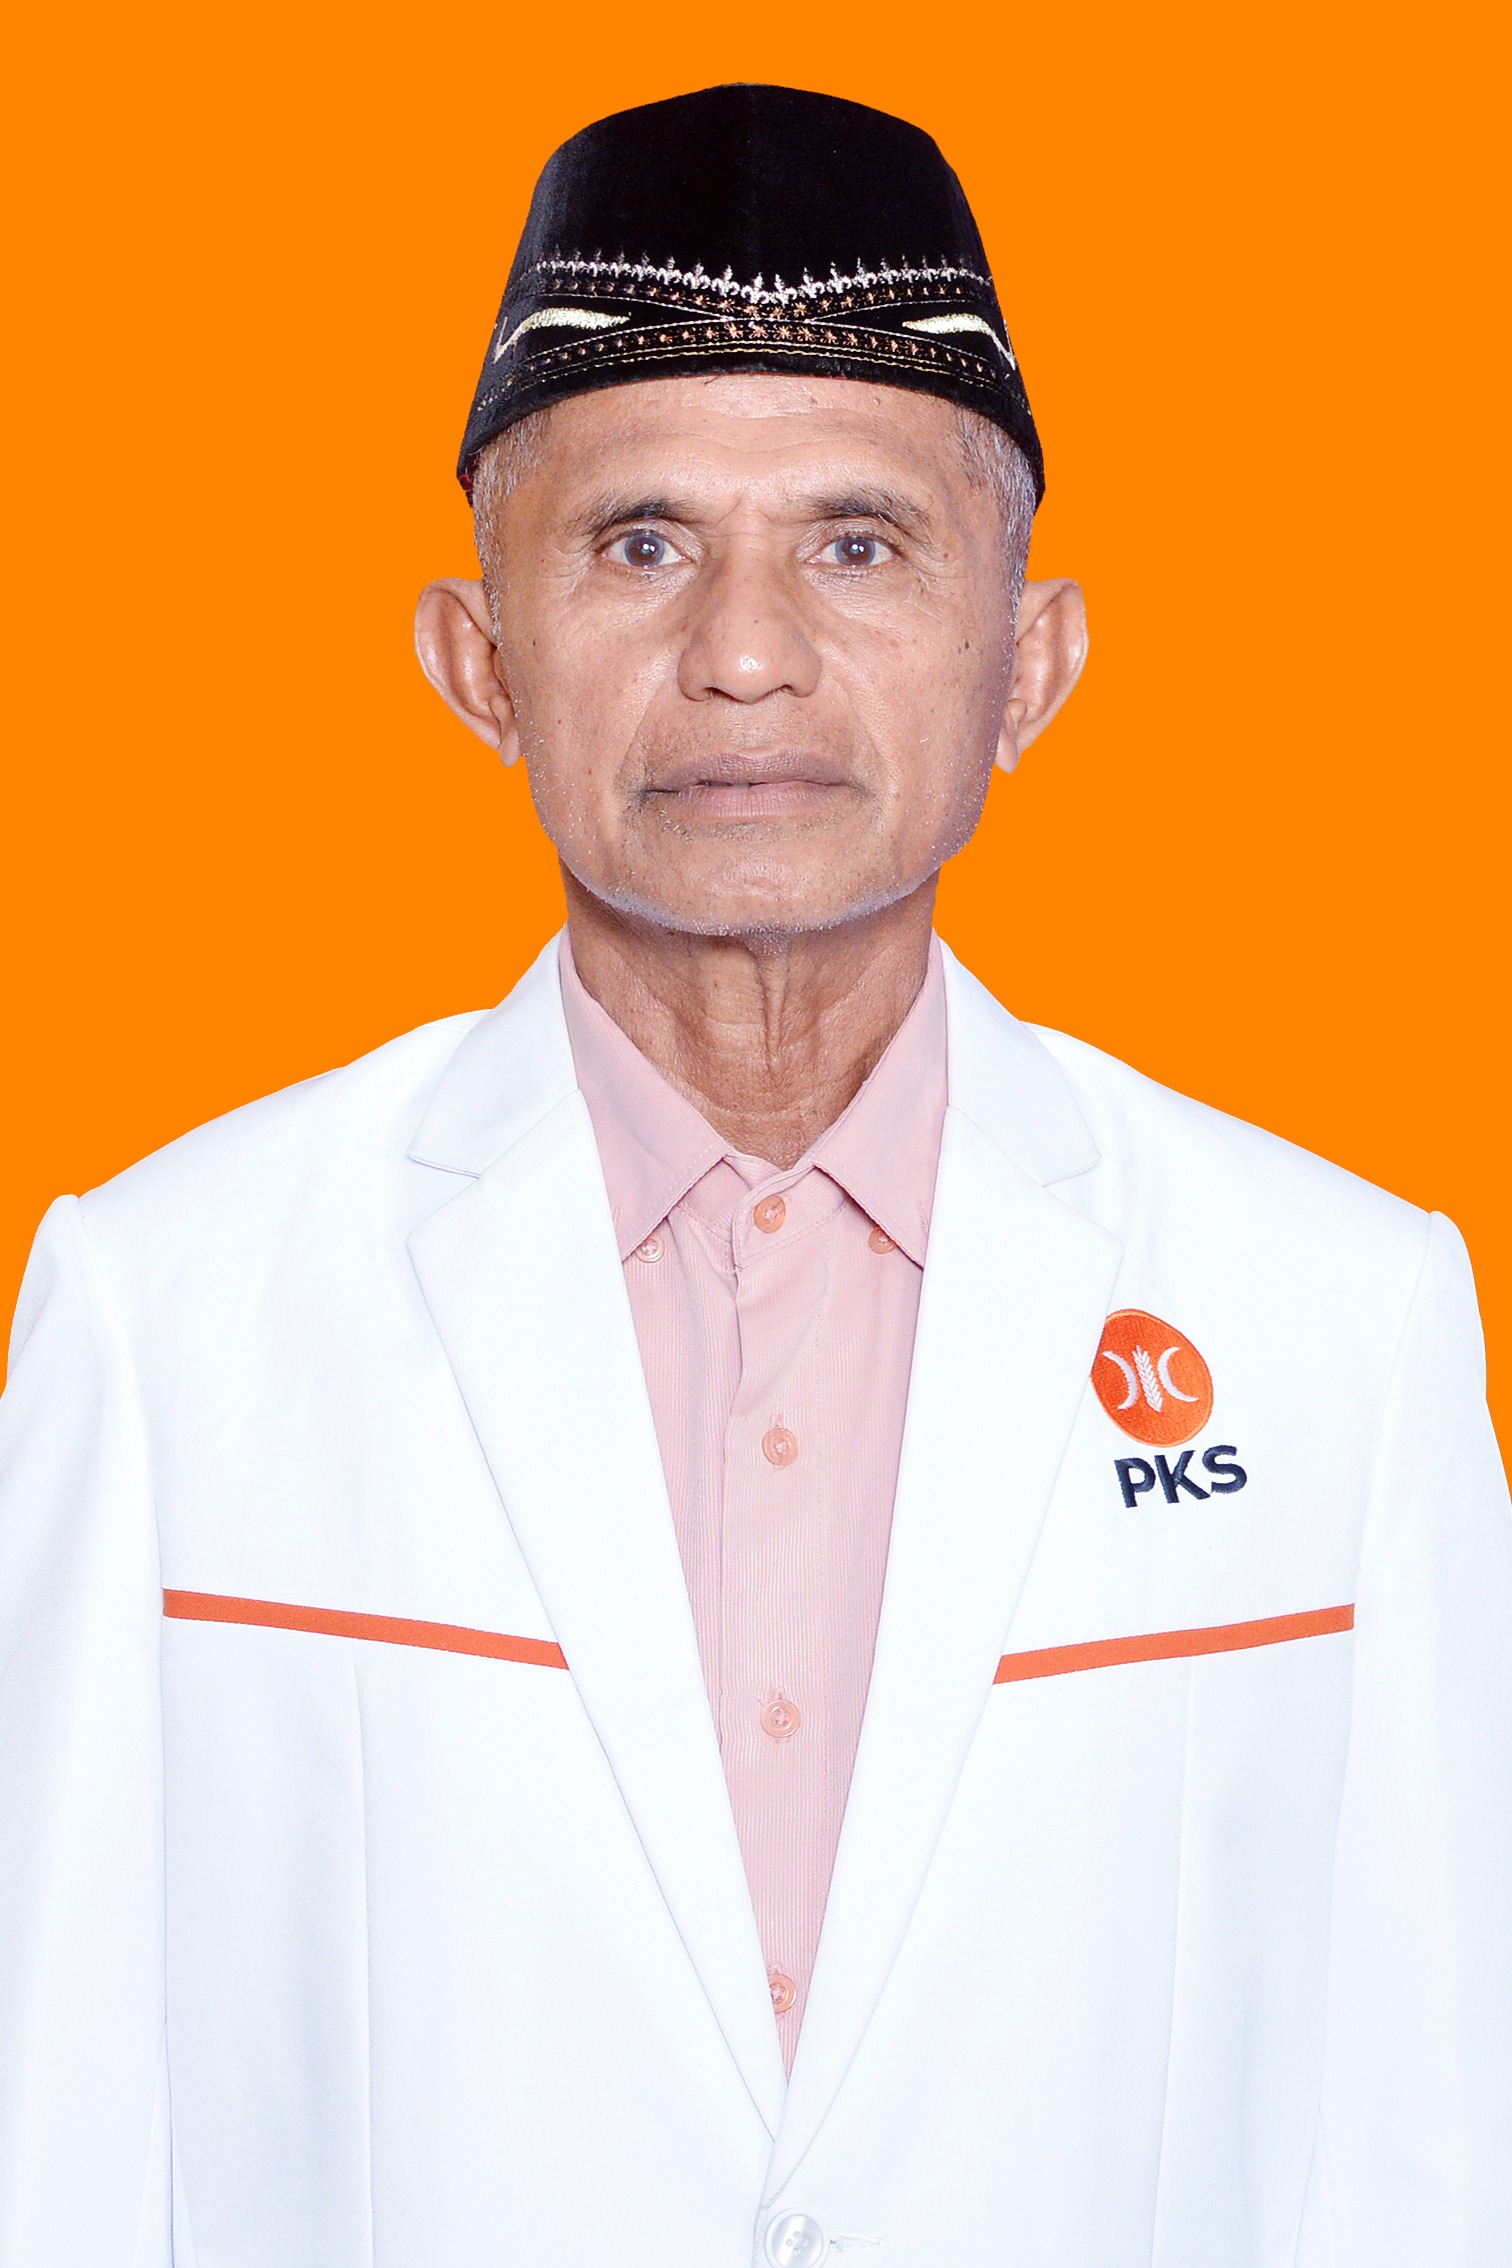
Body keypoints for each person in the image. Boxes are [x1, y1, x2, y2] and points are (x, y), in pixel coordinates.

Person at [1, 81, 1508, 2268]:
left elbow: (1441, 2152)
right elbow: (44, 2144)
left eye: (858, 543)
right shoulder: (166, 1312)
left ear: (1032, 660)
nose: (744, 649)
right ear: (478, 660)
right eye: (640, 543)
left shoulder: (1341, 1319)